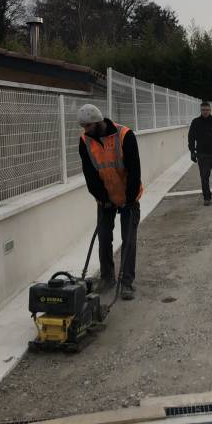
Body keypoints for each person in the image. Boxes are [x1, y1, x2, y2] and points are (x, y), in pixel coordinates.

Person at [78, 104, 142, 300]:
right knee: (104, 238)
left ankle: (126, 282)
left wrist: (129, 199)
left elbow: (134, 169)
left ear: (98, 123)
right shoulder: (85, 141)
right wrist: (104, 198)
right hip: (105, 199)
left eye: (88, 126)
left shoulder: (125, 135)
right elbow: (90, 175)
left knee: (128, 240)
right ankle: (107, 278)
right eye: (84, 127)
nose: (85, 130)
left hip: (128, 198)